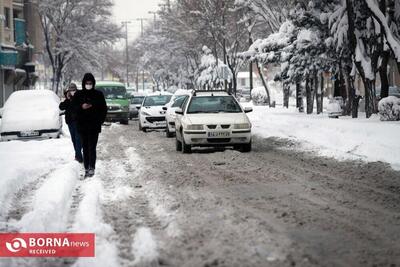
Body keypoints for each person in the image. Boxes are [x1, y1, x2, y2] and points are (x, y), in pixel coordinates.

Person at [72, 73, 107, 178]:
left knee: (92, 147)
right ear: (83, 83)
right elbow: (73, 109)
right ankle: (86, 167)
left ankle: (92, 167)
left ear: (93, 83)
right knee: (85, 148)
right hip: (82, 126)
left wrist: (99, 120)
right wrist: (81, 107)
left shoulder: (98, 94)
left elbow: (103, 109)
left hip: (94, 126)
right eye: (87, 83)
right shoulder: (78, 95)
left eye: (90, 83)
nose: (88, 85)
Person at [59, 83, 83, 163]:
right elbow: (61, 106)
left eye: (74, 90)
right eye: (71, 90)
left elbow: (79, 107)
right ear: (69, 91)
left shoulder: (79, 97)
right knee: (74, 139)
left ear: (76, 90)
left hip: (78, 121)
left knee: (78, 138)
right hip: (70, 122)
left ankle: (78, 156)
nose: (72, 91)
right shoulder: (68, 98)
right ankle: (79, 154)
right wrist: (67, 99)